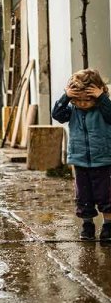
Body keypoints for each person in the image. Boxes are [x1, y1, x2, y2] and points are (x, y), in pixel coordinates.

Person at [52, 69, 111, 241]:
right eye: (78, 100)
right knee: (83, 195)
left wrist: (102, 99)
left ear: (99, 93)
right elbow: (57, 115)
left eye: (88, 99)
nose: (83, 104)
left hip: (103, 159)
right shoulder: (72, 111)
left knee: (106, 194)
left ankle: (108, 226)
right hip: (79, 160)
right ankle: (87, 225)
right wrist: (66, 97)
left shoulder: (103, 108)